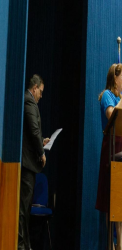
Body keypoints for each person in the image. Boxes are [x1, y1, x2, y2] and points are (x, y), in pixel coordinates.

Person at [95, 63, 122, 250]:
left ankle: (121, 246)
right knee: (111, 200)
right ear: (114, 78)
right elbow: (111, 115)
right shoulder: (107, 96)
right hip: (112, 150)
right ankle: (110, 245)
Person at [18, 74, 50, 250]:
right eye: (41, 92)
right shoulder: (29, 101)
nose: (41, 96)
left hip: (27, 162)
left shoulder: (28, 100)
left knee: (25, 208)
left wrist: (42, 140)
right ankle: (21, 245)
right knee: (22, 208)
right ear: (35, 88)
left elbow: (35, 133)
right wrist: (41, 153)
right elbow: (33, 128)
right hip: (27, 163)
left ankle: (25, 244)